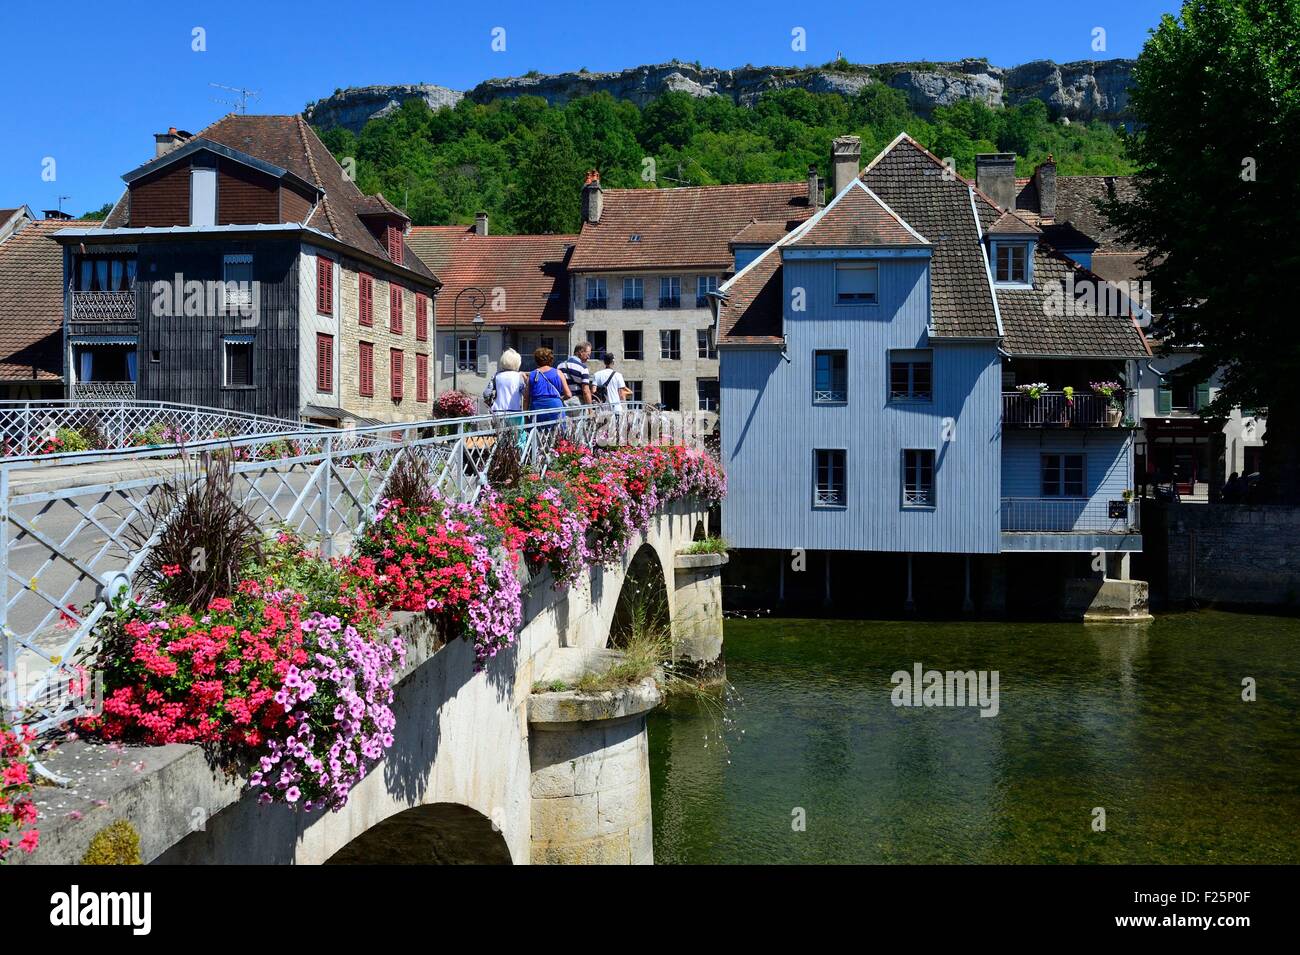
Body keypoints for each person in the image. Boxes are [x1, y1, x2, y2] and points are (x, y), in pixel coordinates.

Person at [488, 348, 529, 446]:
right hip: (515, 412)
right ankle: (518, 459)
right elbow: (525, 394)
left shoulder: (496, 376)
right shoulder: (518, 376)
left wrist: (490, 404)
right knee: (518, 440)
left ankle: (500, 458)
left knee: (501, 441)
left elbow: (486, 394)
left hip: (498, 412)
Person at [523, 346, 571, 427]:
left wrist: (525, 415)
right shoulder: (558, 373)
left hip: (537, 408)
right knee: (557, 434)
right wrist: (560, 399)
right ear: (551, 359)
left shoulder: (532, 375)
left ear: (536, 360)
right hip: (555, 406)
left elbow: (526, 398)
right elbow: (568, 394)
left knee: (538, 435)